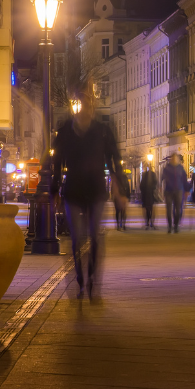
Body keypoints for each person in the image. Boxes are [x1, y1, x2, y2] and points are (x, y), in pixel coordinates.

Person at [51, 89, 126, 301]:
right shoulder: (66, 131)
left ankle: (92, 276)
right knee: (76, 238)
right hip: (73, 190)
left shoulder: (102, 130)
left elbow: (114, 160)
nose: (86, 107)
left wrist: (119, 188)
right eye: (82, 103)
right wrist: (55, 192)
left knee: (94, 236)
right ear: (77, 106)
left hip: (95, 189)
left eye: (89, 103)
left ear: (93, 107)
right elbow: (57, 162)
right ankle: (80, 280)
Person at [162, 154, 188, 233]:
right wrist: (160, 187)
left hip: (179, 190)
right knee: (169, 209)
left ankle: (176, 225)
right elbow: (162, 178)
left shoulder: (180, 168)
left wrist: (186, 190)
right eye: (173, 158)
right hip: (169, 190)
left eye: (175, 158)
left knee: (179, 209)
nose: (174, 160)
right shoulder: (167, 168)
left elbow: (184, 179)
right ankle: (170, 226)